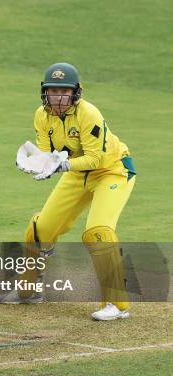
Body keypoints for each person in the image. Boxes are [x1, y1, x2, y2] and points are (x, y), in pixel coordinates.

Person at [8, 63, 137, 321]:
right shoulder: (42, 116)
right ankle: (28, 290)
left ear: (76, 93)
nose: (58, 97)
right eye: (52, 91)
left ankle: (117, 304)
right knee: (41, 229)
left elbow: (95, 159)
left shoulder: (89, 114)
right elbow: (47, 155)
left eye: (63, 91)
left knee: (97, 231)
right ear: (45, 93)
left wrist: (62, 164)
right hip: (77, 174)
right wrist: (34, 162)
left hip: (112, 171)